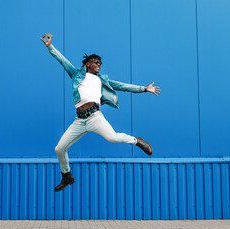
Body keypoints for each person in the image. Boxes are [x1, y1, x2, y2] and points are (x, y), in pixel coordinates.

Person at [41, 33, 161, 192]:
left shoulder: (102, 80)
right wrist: (50, 47)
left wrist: (144, 89)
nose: (99, 64)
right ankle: (66, 175)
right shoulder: (76, 74)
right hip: (79, 121)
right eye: (96, 62)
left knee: (112, 137)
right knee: (59, 149)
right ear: (88, 63)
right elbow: (63, 61)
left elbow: (123, 86)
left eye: (100, 63)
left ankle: (136, 140)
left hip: (94, 117)